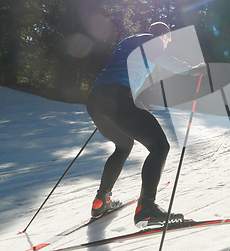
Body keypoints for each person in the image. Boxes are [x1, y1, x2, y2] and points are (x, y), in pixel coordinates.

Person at [86, 22, 206, 228]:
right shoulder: (154, 41)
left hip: (97, 99)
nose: (167, 43)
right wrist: (190, 70)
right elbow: (159, 56)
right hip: (117, 97)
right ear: (164, 36)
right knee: (160, 145)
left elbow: (122, 68)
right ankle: (146, 209)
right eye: (168, 39)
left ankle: (101, 201)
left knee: (124, 145)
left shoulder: (129, 41)